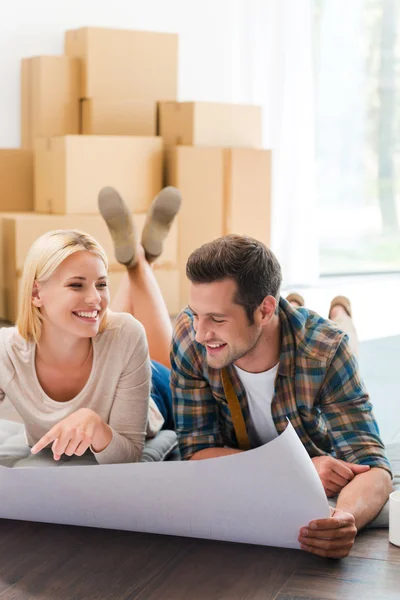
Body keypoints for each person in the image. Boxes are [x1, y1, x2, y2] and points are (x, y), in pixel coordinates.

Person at [170, 234, 392, 559]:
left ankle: (341, 310)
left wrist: (344, 520)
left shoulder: (328, 350)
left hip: (314, 345)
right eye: (196, 314)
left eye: (217, 319)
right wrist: (293, 471)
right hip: (277, 330)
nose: (201, 333)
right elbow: (195, 450)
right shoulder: (191, 337)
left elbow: (373, 466)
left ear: (263, 310)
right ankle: (297, 304)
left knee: (345, 335)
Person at [0, 186, 180, 465]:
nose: (96, 297)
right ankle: (138, 261)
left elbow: (129, 451)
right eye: (76, 284)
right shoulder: (7, 351)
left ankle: (138, 264)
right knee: (105, 321)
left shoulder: (126, 335)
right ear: (36, 294)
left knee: (151, 352)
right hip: (113, 353)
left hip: (154, 388)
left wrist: (98, 427)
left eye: (102, 284)